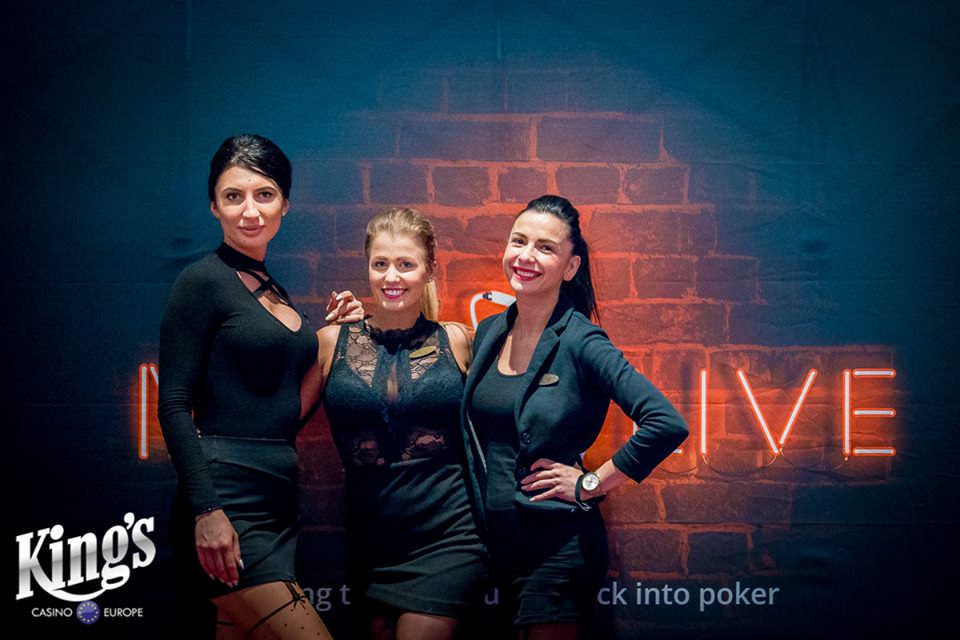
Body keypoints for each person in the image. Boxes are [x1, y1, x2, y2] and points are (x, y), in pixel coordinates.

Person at [158, 134, 362, 639]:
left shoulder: (275, 290)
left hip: (276, 500)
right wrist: (207, 510)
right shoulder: (202, 280)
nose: (250, 211)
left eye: (264, 194)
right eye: (233, 196)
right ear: (214, 206)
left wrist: (335, 337)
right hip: (227, 500)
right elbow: (174, 404)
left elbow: (284, 410)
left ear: (285, 204)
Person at [460, 195, 689, 639]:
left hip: (557, 546)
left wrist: (590, 484)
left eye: (545, 247)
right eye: (518, 241)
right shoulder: (489, 332)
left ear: (570, 266)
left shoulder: (582, 340)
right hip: (496, 547)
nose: (526, 256)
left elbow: (665, 422)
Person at [301, 207, 487, 640]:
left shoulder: (457, 341)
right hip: (372, 541)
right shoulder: (332, 342)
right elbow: (278, 420)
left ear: (430, 270)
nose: (391, 277)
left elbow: (505, 417)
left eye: (406, 264)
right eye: (380, 264)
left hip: (449, 535)